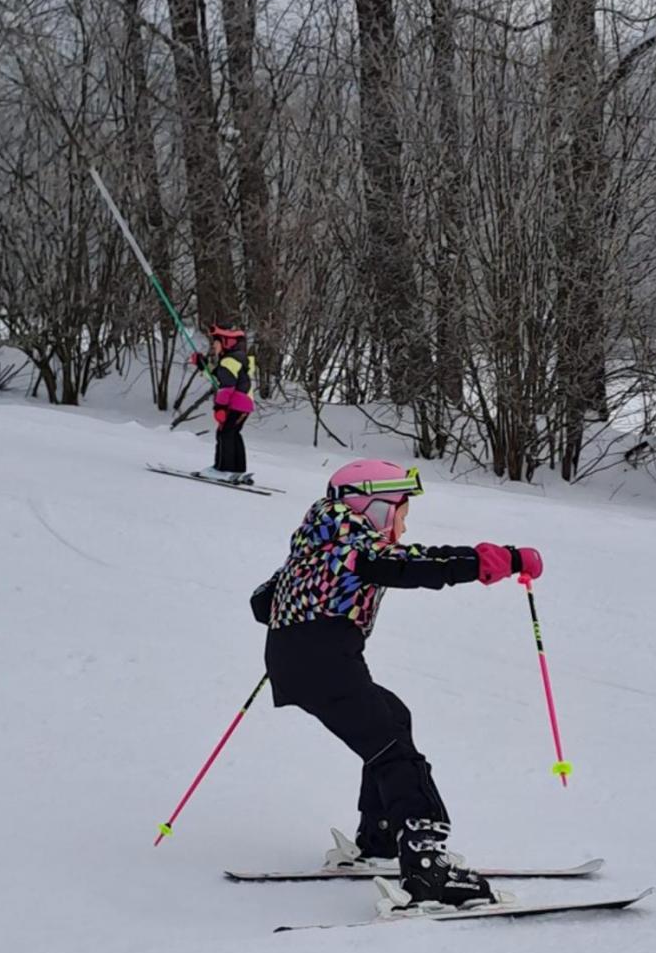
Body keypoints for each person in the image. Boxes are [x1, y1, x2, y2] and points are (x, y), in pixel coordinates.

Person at [250, 459, 543, 909]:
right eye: (401, 515)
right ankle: (428, 868)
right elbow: (414, 565)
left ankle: (381, 837)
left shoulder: (318, 540)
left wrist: (296, 607)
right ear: (374, 507)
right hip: (324, 660)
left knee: (391, 720)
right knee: (393, 751)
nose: (403, 527)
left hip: (305, 660)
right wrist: (495, 560)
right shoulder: (356, 545)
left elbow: (260, 602)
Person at [189, 324, 255, 482]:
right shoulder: (236, 358)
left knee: (224, 433)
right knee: (232, 433)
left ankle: (223, 468)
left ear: (227, 343)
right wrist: (202, 365)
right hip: (244, 404)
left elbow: (226, 387)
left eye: (216, 343)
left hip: (236, 404)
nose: (214, 346)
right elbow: (218, 377)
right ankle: (237, 469)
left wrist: (220, 407)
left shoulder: (229, 361)